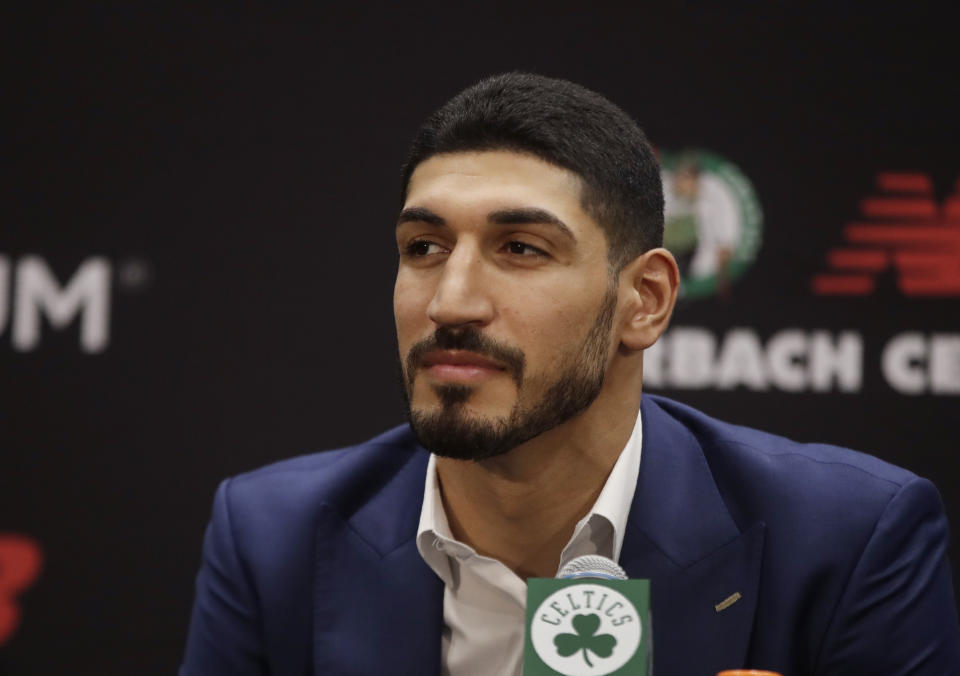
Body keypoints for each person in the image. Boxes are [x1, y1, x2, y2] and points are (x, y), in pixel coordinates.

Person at [180, 73, 960, 675]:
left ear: (644, 302)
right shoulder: (271, 537)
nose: (451, 301)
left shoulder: (846, 540)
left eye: (520, 248)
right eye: (424, 247)